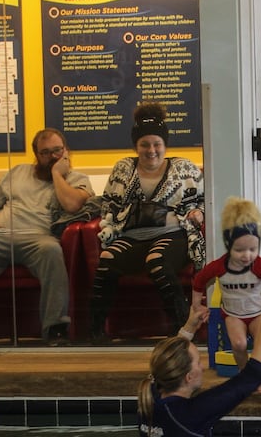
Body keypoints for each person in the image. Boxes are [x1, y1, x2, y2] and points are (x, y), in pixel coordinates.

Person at [0, 128, 93, 348]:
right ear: (36, 155)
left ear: (66, 150)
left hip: (39, 238)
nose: (53, 156)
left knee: (53, 252)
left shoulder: (77, 179)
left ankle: (55, 329)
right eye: (46, 153)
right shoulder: (16, 172)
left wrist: (56, 174)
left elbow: (73, 204)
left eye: (58, 150)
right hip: (0, 235)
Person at [89, 101, 205, 343]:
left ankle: (182, 329)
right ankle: (96, 330)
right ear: (136, 146)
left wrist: (198, 213)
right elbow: (109, 205)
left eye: (156, 144)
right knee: (107, 259)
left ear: (165, 145)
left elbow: (205, 201)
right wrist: (108, 226)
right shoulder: (123, 168)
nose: (151, 150)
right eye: (144, 144)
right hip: (133, 236)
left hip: (173, 235)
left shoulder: (184, 169)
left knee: (157, 261)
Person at [138, 281, 261, 437]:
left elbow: (167, 360)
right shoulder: (191, 413)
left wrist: (189, 327)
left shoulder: (150, 399)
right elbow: (253, 375)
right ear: (188, 377)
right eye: (198, 363)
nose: (203, 366)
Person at [191, 196, 261, 392]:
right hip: (233, 314)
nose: (247, 255)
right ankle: (243, 374)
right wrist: (197, 305)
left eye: (253, 249)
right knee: (238, 344)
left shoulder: (260, 266)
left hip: (258, 312)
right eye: (239, 250)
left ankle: (260, 377)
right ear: (229, 245)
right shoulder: (220, 266)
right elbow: (199, 281)